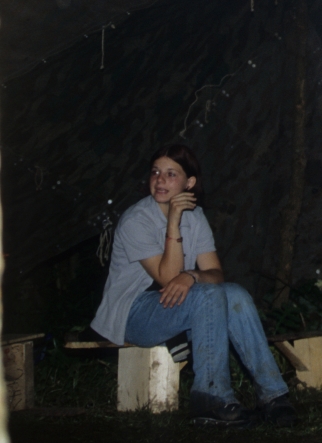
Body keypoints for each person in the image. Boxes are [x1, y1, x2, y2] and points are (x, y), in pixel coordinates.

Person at [90, 144, 296, 427]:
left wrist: (193, 275)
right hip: (132, 313)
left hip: (175, 304)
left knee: (235, 293)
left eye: (171, 174)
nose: (160, 180)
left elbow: (215, 273)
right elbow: (167, 278)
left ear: (189, 183)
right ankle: (211, 397)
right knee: (207, 296)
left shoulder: (196, 216)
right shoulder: (136, 220)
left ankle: (273, 396)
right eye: (155, 172)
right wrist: (173, 223)